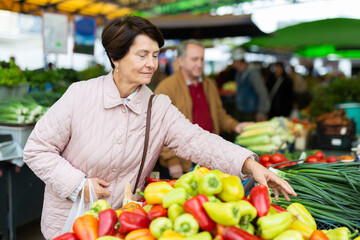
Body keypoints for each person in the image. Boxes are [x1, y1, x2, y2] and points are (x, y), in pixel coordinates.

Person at [23, 16, 296, 240]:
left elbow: (198, 141)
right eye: (142, 55)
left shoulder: (158, 107)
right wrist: (78, 185)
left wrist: (249, 164)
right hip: (69, 225)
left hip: (122, 226)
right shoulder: (79, 95)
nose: (152, 64)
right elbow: (36, 150)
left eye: (155, 55)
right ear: (116, 58)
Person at [154, 39, 251, 179]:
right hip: (182, 164)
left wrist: (235, 126)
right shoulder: (166, 87)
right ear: (180, 61)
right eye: (194, 59)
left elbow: (219, 114)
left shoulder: (209, 84)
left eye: (202, 59)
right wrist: (171, 160)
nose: (199, 64)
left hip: (209, 159)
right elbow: (158, 126)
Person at [217, 47, 270, 122]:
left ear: (238, 61)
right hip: (241, 110)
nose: (232, 63)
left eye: (233, 61)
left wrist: (261, 112)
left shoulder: (253, 73)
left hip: (251, 112)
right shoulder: (238, 73)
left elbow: (262, 93)